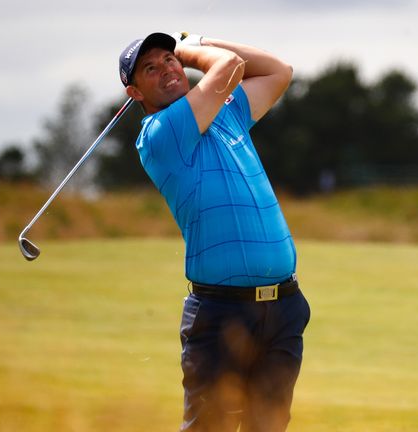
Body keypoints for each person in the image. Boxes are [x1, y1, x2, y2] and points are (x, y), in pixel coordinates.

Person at [118, 32, 311, 432]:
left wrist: (207, 38)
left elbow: (278, 71)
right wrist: (190, 50)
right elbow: (228, 67)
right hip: (221, 312)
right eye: (150, 68)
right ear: (135, 92)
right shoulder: (160, 133)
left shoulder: (226, 112)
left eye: (169, 60)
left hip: (283, 308)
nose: (167, 69)